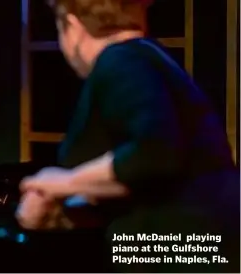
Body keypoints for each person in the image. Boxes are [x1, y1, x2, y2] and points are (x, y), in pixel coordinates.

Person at [15, 0, 239, 272]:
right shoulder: (149, 57)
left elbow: (154, 155)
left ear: (72, 26)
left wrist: (61, 183)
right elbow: (142, 180)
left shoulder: (120, 61)